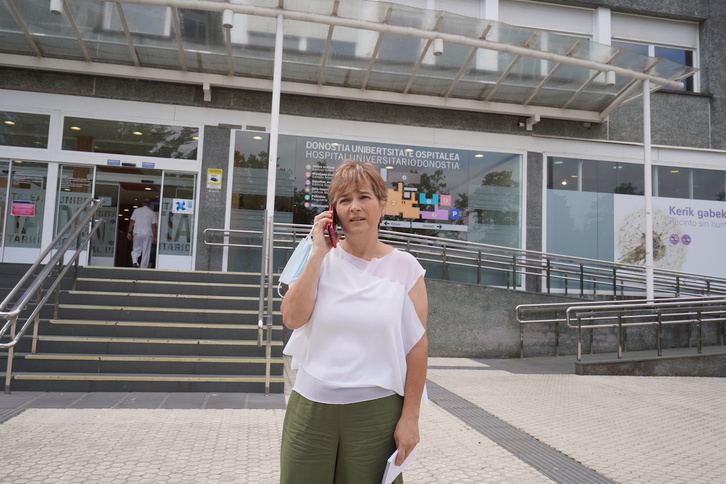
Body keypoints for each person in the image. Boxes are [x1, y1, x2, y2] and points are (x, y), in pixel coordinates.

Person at [280, 160, 428, 484]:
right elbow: (292, 318)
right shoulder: (316, 257)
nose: (355, 207)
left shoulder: (406, 268)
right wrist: (318, 253)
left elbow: (416, 348)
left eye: (364, 196)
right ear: (333, 212)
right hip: (311, 410)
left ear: (381, 205)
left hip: (377, 414)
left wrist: (410, 418)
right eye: (344, 200)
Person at [127, 198, 157, 268]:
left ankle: (134, 262)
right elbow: (154, 226)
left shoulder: (136, 211)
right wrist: (154, 237)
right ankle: (143, 268)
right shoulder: (152, 213)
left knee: (136, 249)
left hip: (137, 232)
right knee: (146, 252)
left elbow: (132, 222)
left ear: (142, 203)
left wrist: (129, 232)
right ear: (149, 204)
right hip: (148, 233)